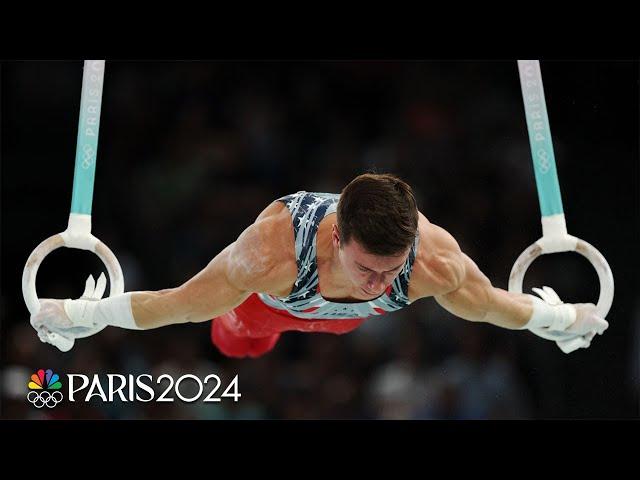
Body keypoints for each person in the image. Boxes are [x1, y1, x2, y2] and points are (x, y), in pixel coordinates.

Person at [30, 173, 608, 358]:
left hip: (348, 322)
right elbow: (176, 303)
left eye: (391, 270)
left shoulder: (432, 263)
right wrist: (88, 313)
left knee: (363, 309)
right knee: (237, 344)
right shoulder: (272, 253)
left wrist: (557, 320)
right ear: (335, 238)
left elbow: (494, 307)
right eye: (368, 269)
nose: (382, 283)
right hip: (262, 312)